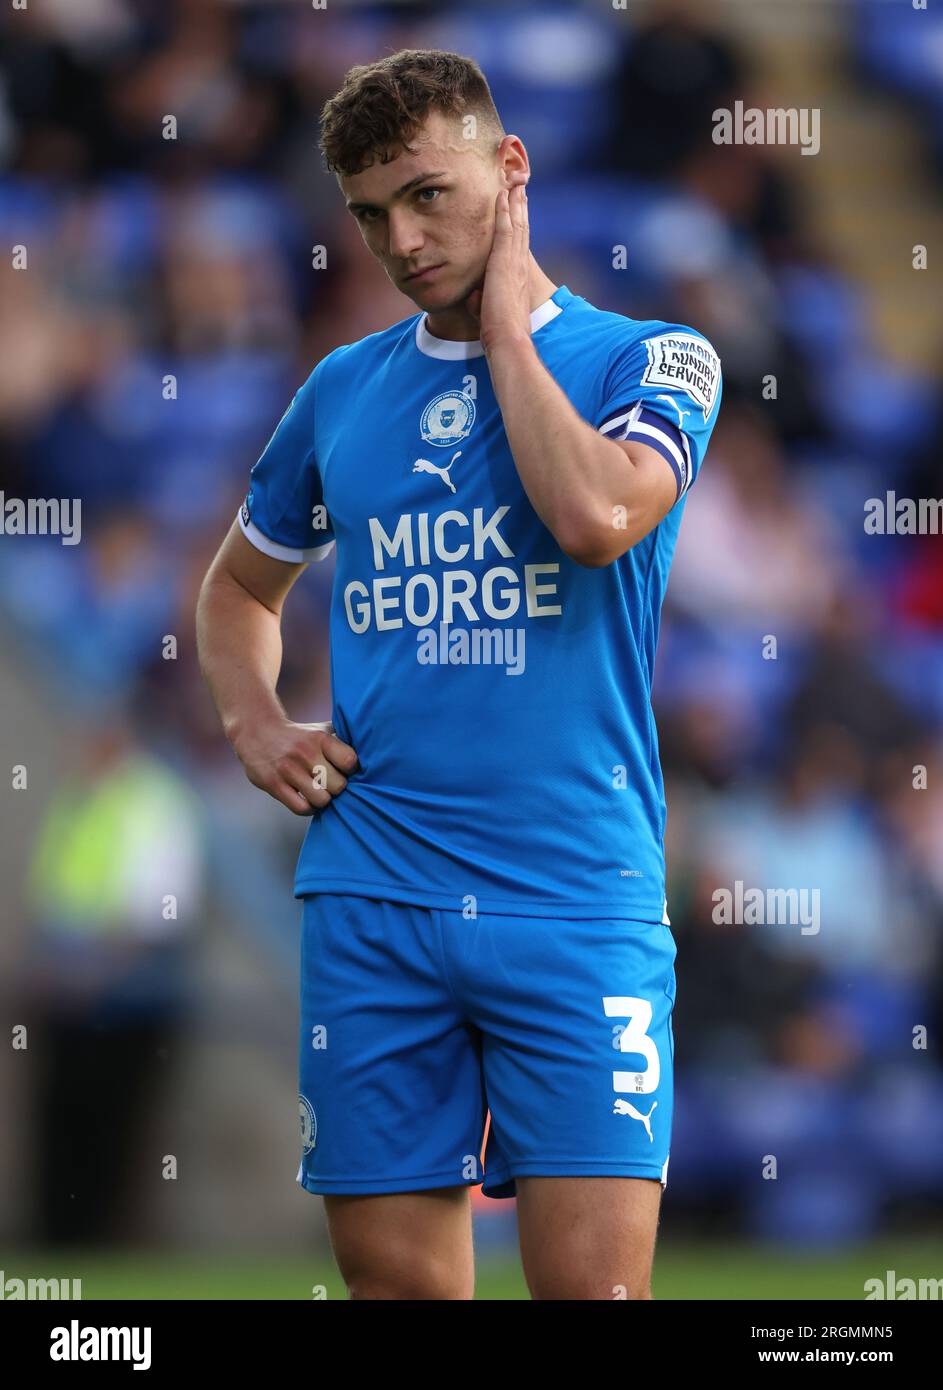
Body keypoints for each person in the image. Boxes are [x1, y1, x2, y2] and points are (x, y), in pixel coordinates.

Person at [196, 48, 722, 1300]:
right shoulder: (340, 392)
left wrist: (502, 332)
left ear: (510, 169)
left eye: (430, 194)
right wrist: (255, 720)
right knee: (399, 1291)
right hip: (374, 894)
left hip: (573, 895)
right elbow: (235, 590)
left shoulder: (654, 359)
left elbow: (596, 515)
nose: (404, 238)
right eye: (373, 213)